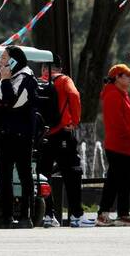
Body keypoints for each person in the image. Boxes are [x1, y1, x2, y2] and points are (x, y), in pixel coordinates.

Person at [0, 46, 37, 229]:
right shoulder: (7, 79)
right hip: (6, 134)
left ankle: (27, 216)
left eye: (4, 58)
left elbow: (11, 101)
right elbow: (2, 103)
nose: (1, 61)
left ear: (14, 61)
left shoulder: (27, 79)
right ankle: (7, 216)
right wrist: (4, 80)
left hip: (21, 136)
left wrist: (4, 80)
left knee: (25, 176)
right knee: (4, 177)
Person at [37, 55, 85, 228]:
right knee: (72, 174)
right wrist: (74, 121)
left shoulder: (37, 83)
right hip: (63, 132)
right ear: (59, 68)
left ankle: (49, 215)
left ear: (44, 69)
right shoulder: (64, 80)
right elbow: (75, 96)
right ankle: (76, 216)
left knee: (44, 175)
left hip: (44, 136)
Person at [95, 64, 130, 227]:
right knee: (115, 182)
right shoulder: (113, 95)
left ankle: (122, 214)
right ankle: (104, 214)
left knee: (123, 182)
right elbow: (118, 123)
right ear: (117, 77)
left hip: (126, 147)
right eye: (127, 76)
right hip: (119, 146)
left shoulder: (122, 94)